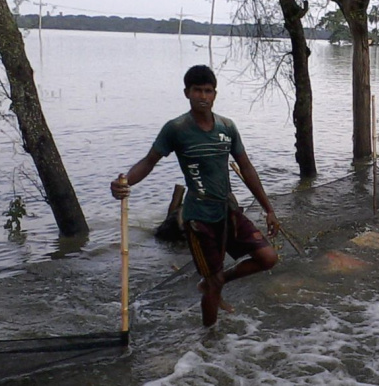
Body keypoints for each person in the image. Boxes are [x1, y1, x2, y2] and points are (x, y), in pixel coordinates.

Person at [110, 65, 280, 327]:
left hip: (227, 211)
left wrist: (269, 209)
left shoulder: (227, 127)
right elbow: (149, 161)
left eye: (208, 91)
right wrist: (124, 183)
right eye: (197, 90)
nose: (203, 96)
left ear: (215, 94)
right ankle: (209, 338)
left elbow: (246, 167)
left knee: (267, 258)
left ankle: (217, 281)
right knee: (212, 285)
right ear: (187, 93)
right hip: (199, 219)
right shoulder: (176, 129)